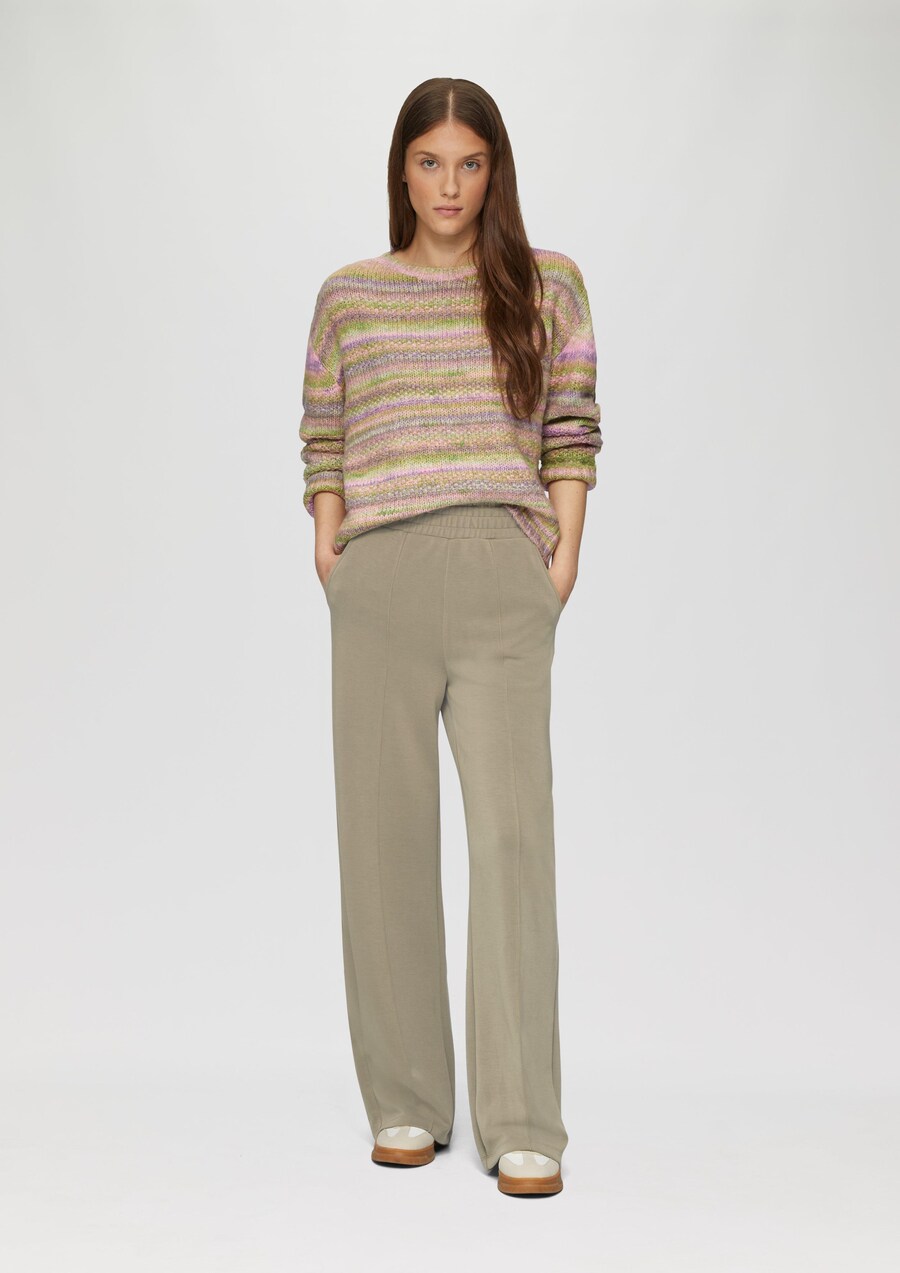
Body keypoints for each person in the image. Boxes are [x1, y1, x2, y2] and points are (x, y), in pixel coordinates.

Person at [299, 77, 602, 1197]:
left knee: (513, 839)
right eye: (430, 163)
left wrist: (561, 558)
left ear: (494, 171)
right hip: (378, 575)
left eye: (470, 164)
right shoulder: (350, 296)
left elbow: (571, 425)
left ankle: (523, 1118)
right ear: (402, 169)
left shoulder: (546, 283)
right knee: (382, 841)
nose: (449, 186)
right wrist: (331, 549)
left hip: (499, 572)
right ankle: (407, 1101)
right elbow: (323, 432)